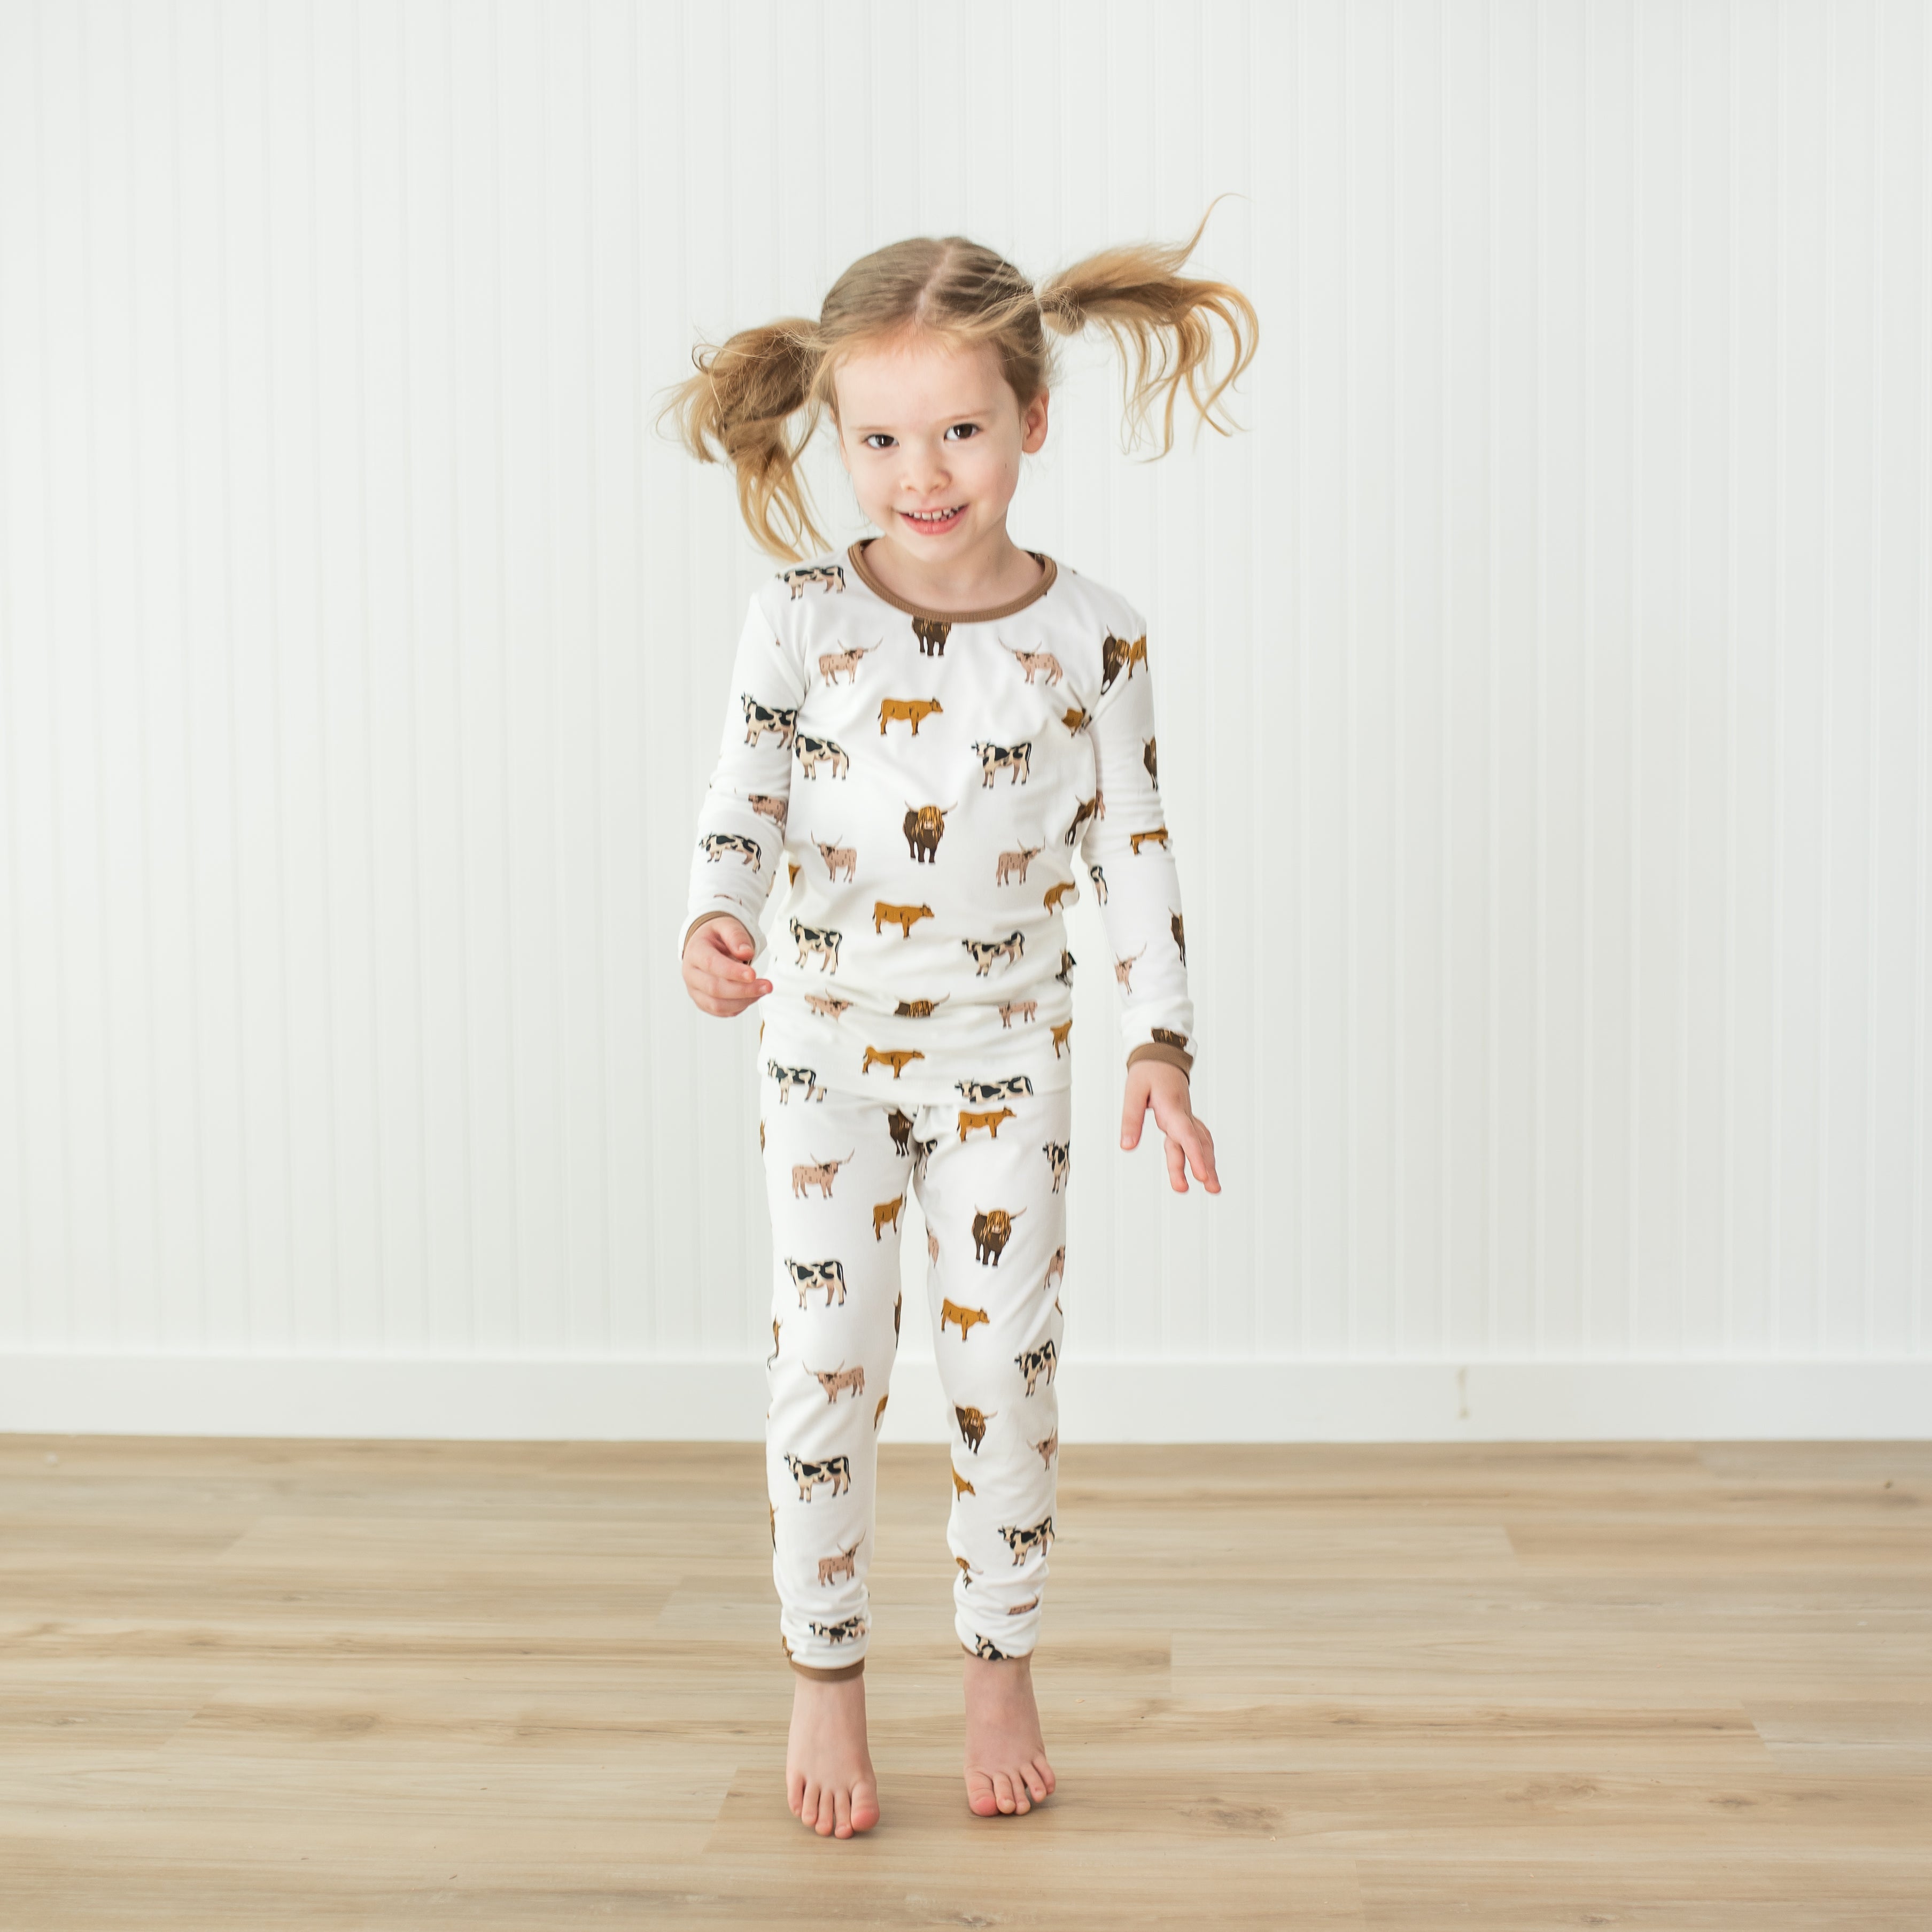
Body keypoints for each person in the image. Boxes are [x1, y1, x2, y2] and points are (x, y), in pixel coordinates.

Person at [663, 211, 1253, 1838]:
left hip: (1005, 1059)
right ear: (839, 434)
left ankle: (1000, 1656)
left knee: (1003, 1360)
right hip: (828, 1054)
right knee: (830, 1365)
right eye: (881, 439)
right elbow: (744, 802)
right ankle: (827, 1672)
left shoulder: (1095, 636)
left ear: (1033, 423)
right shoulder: (798, 617)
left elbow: (1135, 840)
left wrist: (1163, 1038)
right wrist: (717, 921)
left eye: (963, 431)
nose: (923, 475)